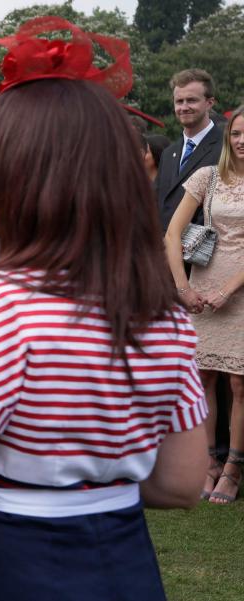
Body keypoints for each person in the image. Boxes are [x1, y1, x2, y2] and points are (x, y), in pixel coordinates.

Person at [0, 19, 207, 600]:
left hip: (8, 563)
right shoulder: (163, 313)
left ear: (13, 182)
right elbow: (181, 482)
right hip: (124, 563)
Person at [164, 105, 244, 504]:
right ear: (228, 139)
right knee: (205, 378)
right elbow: (173, 232)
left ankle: (233, 468)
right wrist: (182, 285)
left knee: (239, 382)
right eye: (236, 134)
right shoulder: (207, 176)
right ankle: (208, 462)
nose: (242, 141)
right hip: (203, 285)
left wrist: (228, 289)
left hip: (240, 289)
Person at [157, 69, 224, 231]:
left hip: (207, 251)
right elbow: (158, 203)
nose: (184, 107)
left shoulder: (226, 148)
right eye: (179, 101)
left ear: (209, 103)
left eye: (191, 100)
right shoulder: (168, 154)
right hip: (166, 250)